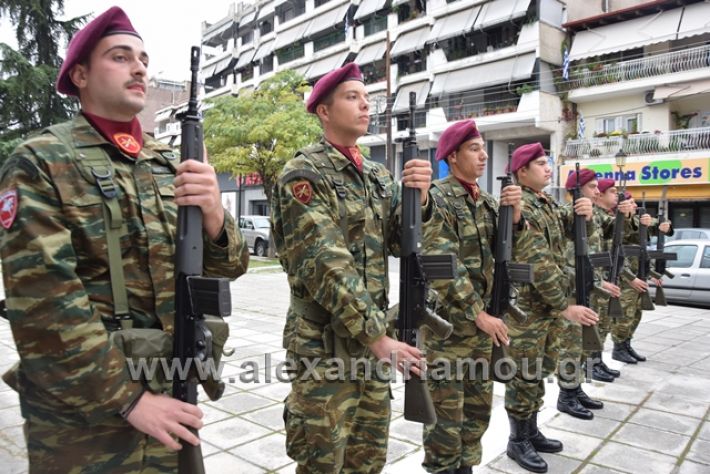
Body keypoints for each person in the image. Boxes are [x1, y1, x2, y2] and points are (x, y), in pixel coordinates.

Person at [0, 7, 249, 473]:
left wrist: (215, 214)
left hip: (169, 390)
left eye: (143, 59)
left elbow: (229, 268)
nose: (139, 69)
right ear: (80, 74)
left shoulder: (168, 162)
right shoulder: (42, 160)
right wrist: (130, 400)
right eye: (120, 57)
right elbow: (44, 302)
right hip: (84, 420)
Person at [270, 62, 436, 473]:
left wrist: (421, 199)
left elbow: (401, 241)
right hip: (322, 345)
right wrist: (379, 337)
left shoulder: (378, 176)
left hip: (370, 341)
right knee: (323, 459)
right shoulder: (304, 175)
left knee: (367, 458)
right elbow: (325, 262)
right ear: (323, 111)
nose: (366, 106)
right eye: (352, 97)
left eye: (367, 99)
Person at [421, 120, 525, 474]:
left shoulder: (489, 204)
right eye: (474, 149)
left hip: (483, 332)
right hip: (449, 333)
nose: (483, 155)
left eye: (483, 148)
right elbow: (440, 265)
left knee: (477, 414)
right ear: (452, 156)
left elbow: (510, 256)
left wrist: (517, 219)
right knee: (444, 420)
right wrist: (477, 312)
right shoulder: (437, 198)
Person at [504, 143, 599, 473]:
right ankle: (517, 441)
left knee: (540, 372)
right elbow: (538, 261)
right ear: (522, 171)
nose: (548, 168)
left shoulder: (547, 204)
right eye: (541, 163)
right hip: (530, 308)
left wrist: (584, 213)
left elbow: (575, 236)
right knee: (523, 375)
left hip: (548, 308)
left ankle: (530, 431)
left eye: (548, 163)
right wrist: (563, 307)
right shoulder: (520, 207)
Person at [611, 192, 671, 364]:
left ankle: (627, 344)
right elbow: (615, 255)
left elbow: (658, 228)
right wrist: (630, 278)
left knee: (636, 314)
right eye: (631, 202)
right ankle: (618, 348)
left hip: (640, 274)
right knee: (624, 316)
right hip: (626, 279)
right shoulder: (616, 223)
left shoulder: (638, 221)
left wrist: (665, 225)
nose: (635, 205)